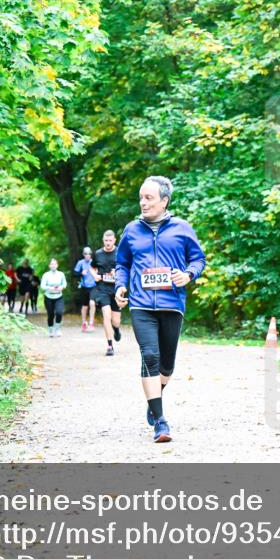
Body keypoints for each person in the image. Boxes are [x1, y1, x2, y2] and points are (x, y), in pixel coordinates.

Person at [115, 175, 206, 443]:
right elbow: (122, 263)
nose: (143, 202)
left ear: (164, 201)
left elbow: (198, 259)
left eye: (149, 198)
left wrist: (188, 274)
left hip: (171, 303)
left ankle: (154, 397)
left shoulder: (182, 228)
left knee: (167, 364)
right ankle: (161, 422)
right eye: (141, 197)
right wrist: (121, 286)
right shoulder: (131, 230)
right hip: (141, 304)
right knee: (150, 357)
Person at [91, 230, 124, 356]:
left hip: (116, 289)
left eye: (110, 240)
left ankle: (116, 329)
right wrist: (95, 275)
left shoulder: (120, 253)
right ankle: (110, 346)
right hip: (102, 289)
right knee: (106, 315)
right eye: (106, 241)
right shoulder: (98, 253)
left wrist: (117, 273)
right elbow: (92, 267)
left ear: (114, 240)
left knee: (116, 321)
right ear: (103, 241)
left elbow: (126, 268)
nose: (108, 243)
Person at [40, 258, 67, 337]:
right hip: (48, 297)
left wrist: (62, 287)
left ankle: (57, 329)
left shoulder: (61, 274)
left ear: (57, 265)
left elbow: (64, 283)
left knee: (59, 312)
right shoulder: (46, 275)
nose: (53, 265)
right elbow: (42, 286)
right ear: (49, 266)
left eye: (55, 264)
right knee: (50, 314)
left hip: (59, 296)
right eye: (52, 264)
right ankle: (50, 329)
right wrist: (49, 288)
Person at [73, 246, 97, 332]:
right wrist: (80, 273)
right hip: (84, 286)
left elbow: (100, 270)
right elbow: (74, 273)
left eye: (89, 253)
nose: (88, 255)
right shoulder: (80, 263)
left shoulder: (94, 262)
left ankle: (91, 323)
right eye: (86, 253)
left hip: (93, 286)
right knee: (84, 306)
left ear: (91, 254)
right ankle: (84, 323)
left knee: (92, 303)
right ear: (83, 254)